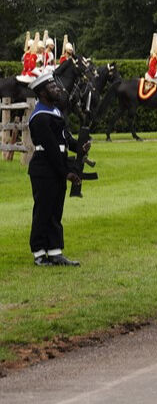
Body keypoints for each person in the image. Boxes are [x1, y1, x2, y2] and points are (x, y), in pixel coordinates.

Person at [27, 72, 89, 266]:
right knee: (43, 211)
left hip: (55, 166)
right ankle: (39, 253)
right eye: (52, 87)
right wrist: (66, 172)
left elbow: (65, 139)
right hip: (44, 168)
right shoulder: (40, 116)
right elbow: (52, 148)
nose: (57, 89)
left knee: (55, 210)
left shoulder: (55, 112)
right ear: (42, 92)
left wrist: (80, 146)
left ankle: (55, 251)